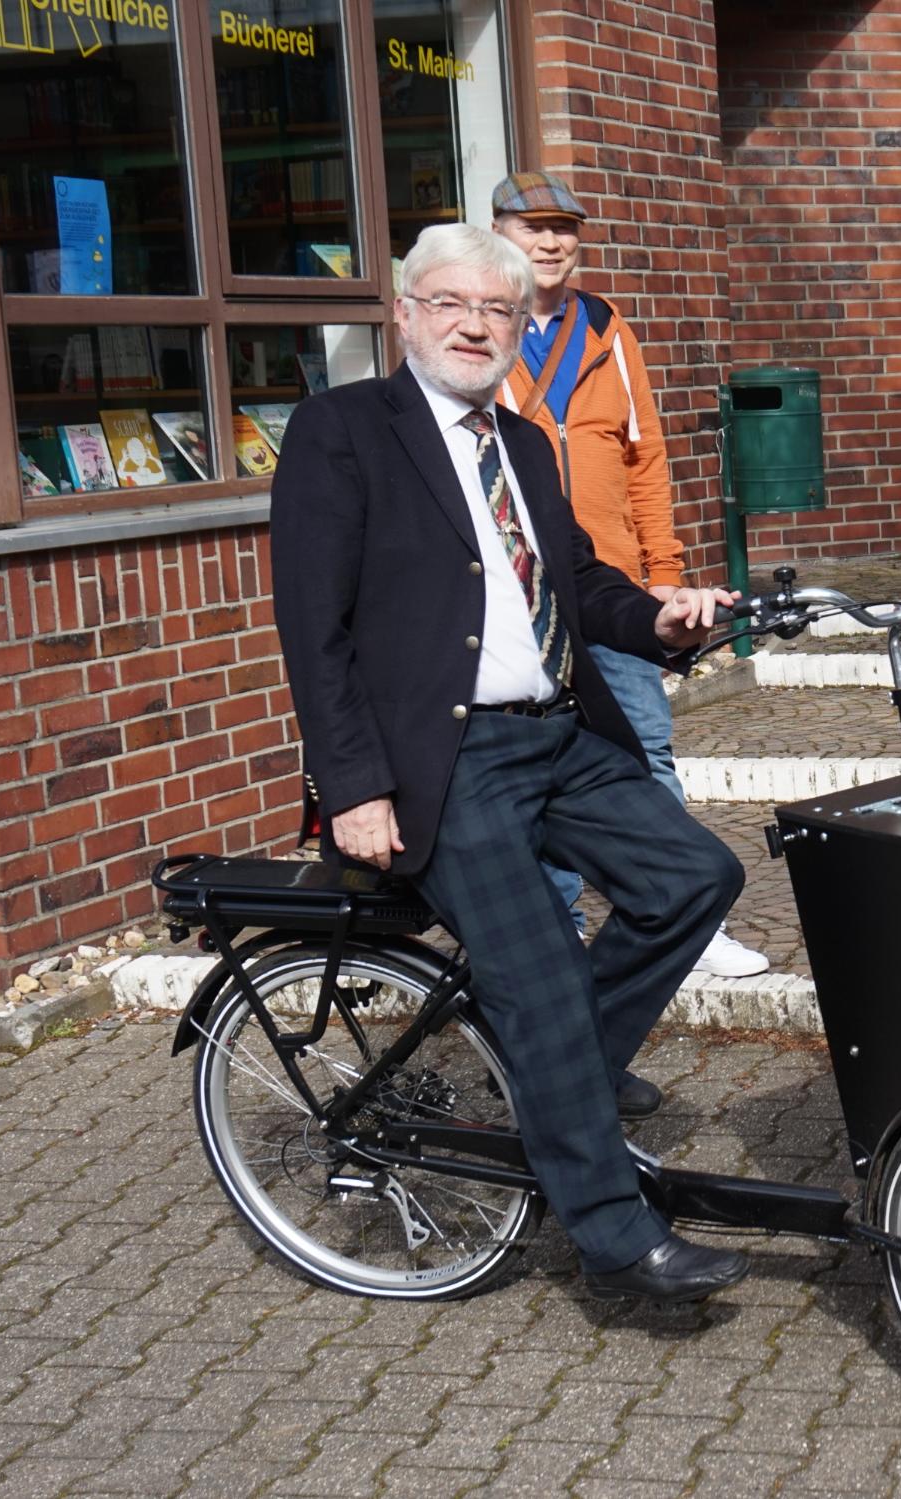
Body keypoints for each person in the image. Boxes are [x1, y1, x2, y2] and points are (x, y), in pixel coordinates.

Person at [270, 223, 752, 1303]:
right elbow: (314, 625)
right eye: (448, 303)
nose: (474, 325)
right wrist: (352, 785)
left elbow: (578, 586)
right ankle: (612, 1229)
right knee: (535, 972)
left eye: (496, 309)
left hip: (560, 733)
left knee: (694, 879)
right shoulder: (342, 431)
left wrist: (665, 621)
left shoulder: (523, 442)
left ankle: (549, 1082)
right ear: (403, 314)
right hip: (444, 758)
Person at [486, 171, 770, 976]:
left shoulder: (609, 330)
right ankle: (559, 927)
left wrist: (664, 575)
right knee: (540, 764)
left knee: (646, 748)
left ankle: (684, 912)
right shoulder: (489, 333)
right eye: (532, 226)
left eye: (564, 228)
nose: (550, 242)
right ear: (498, 231)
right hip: (524, 589)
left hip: (612, 587)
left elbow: (647, 462)